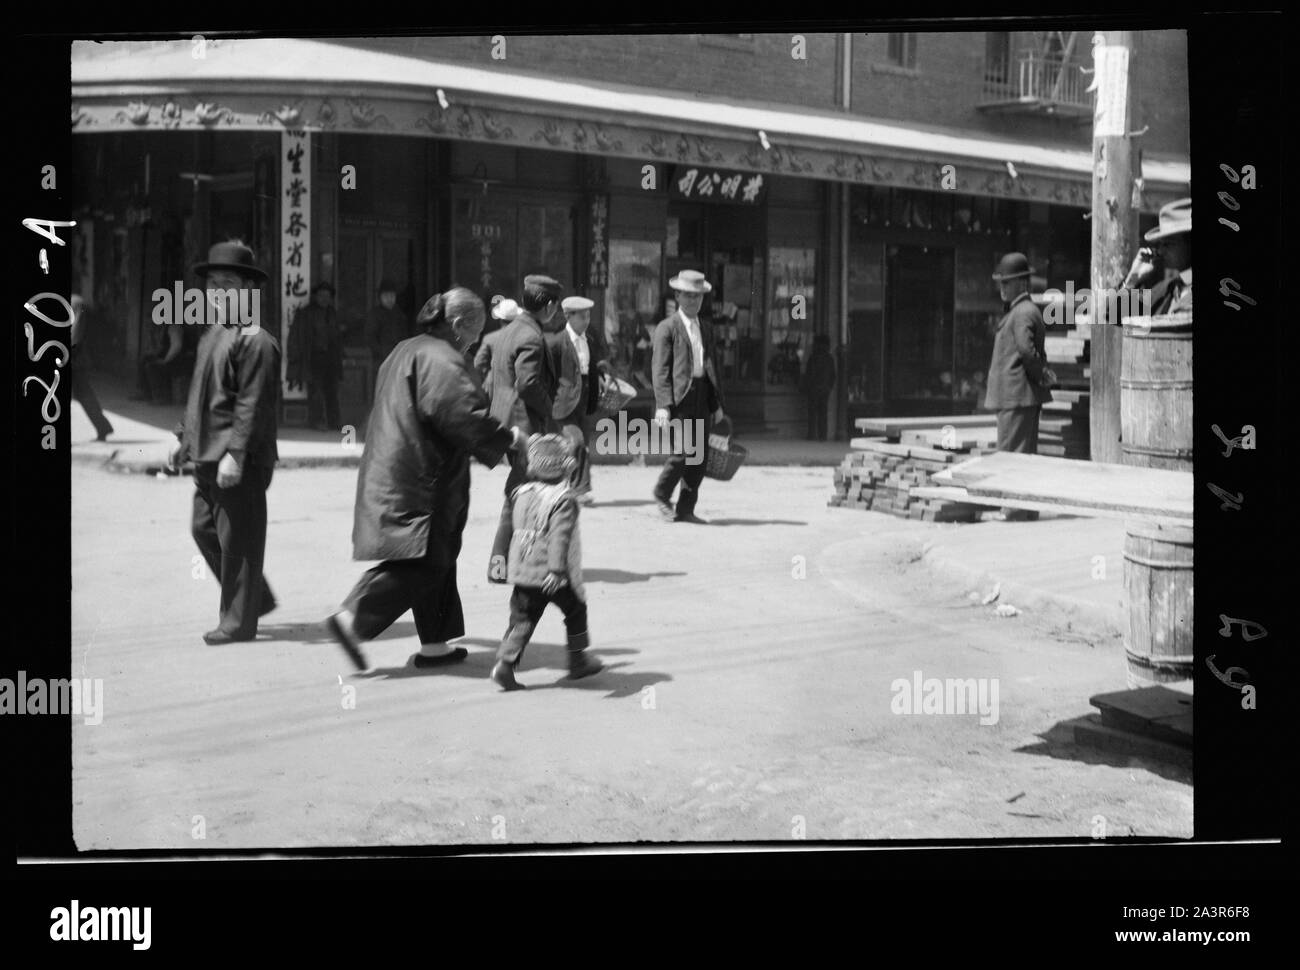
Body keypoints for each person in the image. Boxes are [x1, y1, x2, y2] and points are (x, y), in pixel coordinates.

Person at [325, 288, 522, 672]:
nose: (474, 342)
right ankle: (353, 619)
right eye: (475, 332)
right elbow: (461, 413)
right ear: (459, 325)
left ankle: (435, 644)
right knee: (428, 558)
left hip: (395, 465)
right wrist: (509, 440)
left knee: (438, 556)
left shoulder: (406, 349)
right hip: (421, 476)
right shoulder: (442, 358)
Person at [166, 241, 281, 644]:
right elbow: (201, 392)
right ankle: (254, 598)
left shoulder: (257, 340)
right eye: (212, 284)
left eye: (227, 283)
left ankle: (237, 623)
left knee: (239, 539)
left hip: (237, 458)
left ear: (249, 290)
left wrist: (236, 453)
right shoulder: (214, 334)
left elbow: (253, 404)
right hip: (206, 453)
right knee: (203, 529)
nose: (216, 292)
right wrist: (184, 437)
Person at [487, 433, 603, 691]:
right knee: (575, 610)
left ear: (530, 467)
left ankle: (504, 664)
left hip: (523, 571)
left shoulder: (521, 493)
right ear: (567, 467)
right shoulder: (564, 500)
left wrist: (502, 564)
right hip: (551, 575)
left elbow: (510, 528)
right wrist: (556, 570)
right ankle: (577, 660)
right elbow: (559, 538)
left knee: (522, 619)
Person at [487, 275, 563, 577]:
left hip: (508, 422)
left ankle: (511, 559)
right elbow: (528, 383)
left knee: (524, 492)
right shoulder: (531, 336)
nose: (556, 312)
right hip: (525, 427)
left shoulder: (510, 331)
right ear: (547, 305)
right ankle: (502, 562)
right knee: (521, 492)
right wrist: (551, 410)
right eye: (555, 306)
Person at [651, 270, 726, 524]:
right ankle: (662, 494)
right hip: (679, 397)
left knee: (699, 457)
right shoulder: (667, 328)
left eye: (698, 296)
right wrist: (663, 405)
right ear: (678, 296)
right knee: (682, 452)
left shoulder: (705, 328)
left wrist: (716, 404)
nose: (694, 301)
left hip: (701, 395)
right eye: (688, 296)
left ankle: (686, 508)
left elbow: (710, 367)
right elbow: (660, 370)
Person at [984, 251, 1053, 522]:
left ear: (1022, 284)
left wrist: (1041, 375)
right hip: (1017, 396)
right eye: (1001, 283)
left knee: (1012, 456)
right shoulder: (1022, 310)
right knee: (1020, 454)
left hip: (1017, 395)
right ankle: (1022, 509)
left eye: (1007, 283)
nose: (1002, 288)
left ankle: (1014, 510)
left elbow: (1026, 351)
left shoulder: (1023, 311)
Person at [548, 295, 611, 503]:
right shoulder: (557, 342)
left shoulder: (589, 340)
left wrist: (601, 378)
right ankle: (578, 488)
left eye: (588, 315)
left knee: (581, 444)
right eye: (581, 316)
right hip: (564, 401)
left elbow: (593, 367)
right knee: (576, 441)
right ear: (568, 316)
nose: (586, 320)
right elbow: (548, 373)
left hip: (585, 398)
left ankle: (571, 485)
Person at [1117, 197, 1192, 316]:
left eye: (1168, 244)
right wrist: (1133, 279)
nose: (1161, 251)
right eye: (1160, 244)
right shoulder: (1165, 290)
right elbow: (1116, 315)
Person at [287, 281, 342, 430]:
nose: (324, 298)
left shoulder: (332, 313)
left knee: (332, 391)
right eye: (321, 295)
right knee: (315, 392)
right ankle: (317, 422)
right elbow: (295, 336)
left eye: (327, 296)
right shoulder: (305, 313)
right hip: (313, 357)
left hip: (330, 358)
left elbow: (337, 337)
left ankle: (334, 422)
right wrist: (294, 356)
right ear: (315, 296)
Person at [68, 294, 114, 441]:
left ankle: (103, 427)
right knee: (84, 394)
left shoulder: (76, 302)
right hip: (73, 357)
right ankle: (103, 427)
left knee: (83, 394)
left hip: (73, 357)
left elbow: (77, 332)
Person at [365, 278, 409, 390]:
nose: (389, 299)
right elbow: (370, 338)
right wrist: (381, 352)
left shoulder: (399, 314)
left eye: (392, 296)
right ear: (380, 297)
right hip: (381, 361)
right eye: (386, 296)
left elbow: (405, 336)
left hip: (398, 360)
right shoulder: (375, 314)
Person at [474, 295, 520, 389]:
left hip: (495, 386)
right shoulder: (526, 338)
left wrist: (489, 375)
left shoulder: (489, 338)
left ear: (500, 319)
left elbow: (478, 363)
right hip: (518, 387)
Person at [801, 334, 837, 441]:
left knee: (812, 413)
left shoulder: (813, 357)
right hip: (825, 389)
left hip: (814, 388)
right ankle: (823, 435)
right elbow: (833, 375)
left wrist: (808, 386)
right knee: (823, 413)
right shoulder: (829, 358)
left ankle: (811, 434)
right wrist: (829, 387)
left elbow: (809, 373)